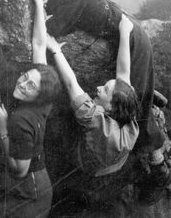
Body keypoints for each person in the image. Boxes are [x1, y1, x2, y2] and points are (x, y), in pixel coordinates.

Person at [42, 0, 170, 204]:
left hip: (132, 37)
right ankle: (145, 88)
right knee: (130, 87)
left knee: (139, 107)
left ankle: (159, 167)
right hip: (124, 31)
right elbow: (53, 9)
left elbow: (56, 27)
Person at [0, 0, 61, 218]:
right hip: (41, 181)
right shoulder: (45, 98)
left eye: (30, 85)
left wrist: (2, 127)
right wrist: (38, 3)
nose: (22, 83)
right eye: (24, 77)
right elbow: (39, 44)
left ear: (39, 94)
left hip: (30, 188)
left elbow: (19, 171)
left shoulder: (20, 120)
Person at [47, 16, 139, 182]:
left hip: (85, 163)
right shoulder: (127, 110)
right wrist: (124, 32)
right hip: (115, 163)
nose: (98, 88)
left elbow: (70, 84)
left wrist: (56, 50)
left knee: (61, 123)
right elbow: (123, 73)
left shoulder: (95, 120)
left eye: (104, 90)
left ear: (110, 108)